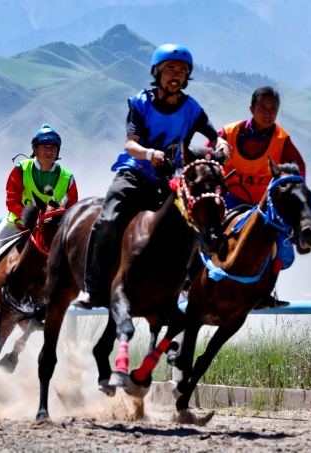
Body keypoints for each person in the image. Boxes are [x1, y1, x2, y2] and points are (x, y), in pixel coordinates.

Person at [79, 44, 231, 308]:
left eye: (182, 71)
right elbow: (131, 144)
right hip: (134, 174)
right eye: (170, 68)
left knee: (196, 225)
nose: (176, 74)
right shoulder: (141, 103)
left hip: (169, 182)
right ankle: (92, 287)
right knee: (108, 219)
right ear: (157, 71)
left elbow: (214, 135)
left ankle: (188, 288)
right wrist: (150, 154)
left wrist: (222, 143)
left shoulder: (192, 108)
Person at [0, 123, 79, 316]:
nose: (49, 151)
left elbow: (71, 208)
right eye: (44, 147)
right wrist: (30, 223)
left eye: (53, 147)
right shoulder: (21, 169)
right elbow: (12, 199)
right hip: (16, 225)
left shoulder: (67, 178)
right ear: (35, 150)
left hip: (49, 233)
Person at [204, 85, 306, 309]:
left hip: (265, 206)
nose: (268, 113)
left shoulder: (282, 140)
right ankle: (192, 280)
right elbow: (205, 156)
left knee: (282, 242)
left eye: (273, 109)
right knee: (205, 230)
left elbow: (299, 169)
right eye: (263, 108)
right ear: (252, 108)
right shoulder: (228, 133)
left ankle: (266, 291)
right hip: (229, 198)